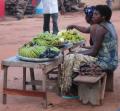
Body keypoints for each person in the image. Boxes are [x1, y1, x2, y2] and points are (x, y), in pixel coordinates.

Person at [60, 5, 118, 97]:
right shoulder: (108, 24)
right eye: (93, 13)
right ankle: (73, 84)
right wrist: (74, 26)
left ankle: (70, 88)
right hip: (112, 60)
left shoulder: (100, 29)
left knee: (70, 58)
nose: (93, 16)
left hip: (106, 62)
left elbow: (93, 52)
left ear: (103, 17)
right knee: (75, 55)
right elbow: (87, 30)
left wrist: (76, 53)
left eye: (96, 14)